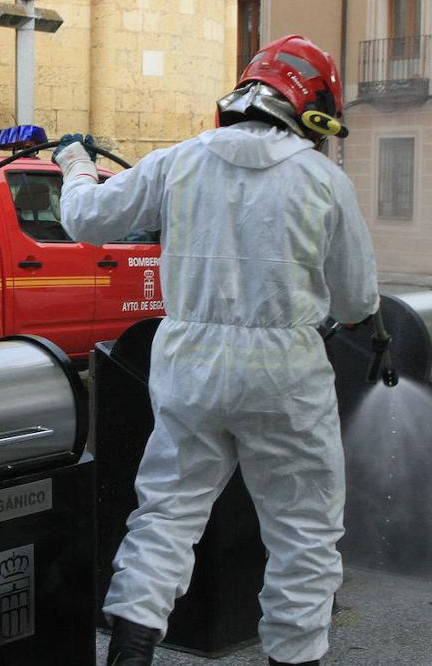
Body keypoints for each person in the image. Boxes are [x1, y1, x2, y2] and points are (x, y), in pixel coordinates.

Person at [53, 35, 378, 666]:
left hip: (189, 365)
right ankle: (295, 658)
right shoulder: (323, 179)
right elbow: (358, 300)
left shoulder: (180, 161)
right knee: (302, 532)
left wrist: (73, 165)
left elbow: (88, 219)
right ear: (309, 109)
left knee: (168, 512)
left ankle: (129, 653)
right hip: (286, 371)